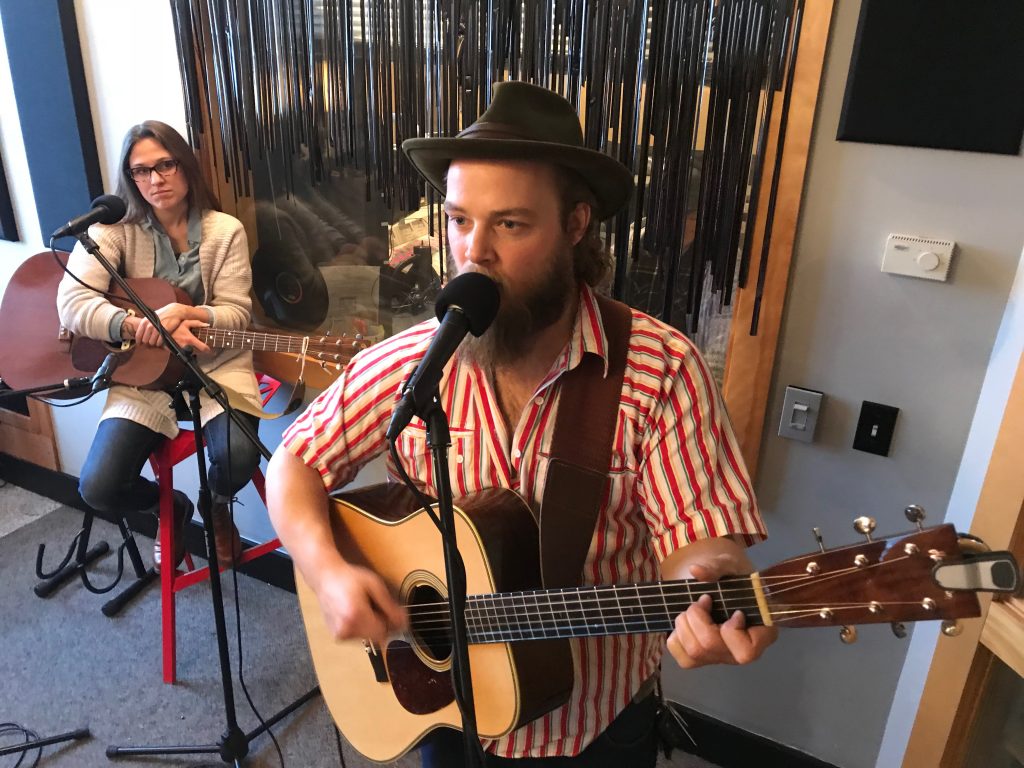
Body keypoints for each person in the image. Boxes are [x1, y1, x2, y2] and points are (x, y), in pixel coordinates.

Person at [265, 81, 776, 766]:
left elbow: (700, 544)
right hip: (446, 709)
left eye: (509, 224)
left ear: (575, 224)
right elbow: (295, 461)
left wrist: (710, 581)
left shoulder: (660, 371)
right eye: (459, 221)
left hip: (593, 725)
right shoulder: (413, 363)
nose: (474, 251)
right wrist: (327, 571)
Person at [56, 120, 263, 571]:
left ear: (185, 165)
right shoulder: (112, 232)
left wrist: (192, 315)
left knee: (240, 457)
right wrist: (134, 324)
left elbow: (236, 312)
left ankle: (216, 505)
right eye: (141, 171)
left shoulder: (225, 230)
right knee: (99, 487)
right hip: (144, 378)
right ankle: (170, 508)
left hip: (215, 366)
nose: (156, 179)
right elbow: (72, 304)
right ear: (130, 178)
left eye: (166, 165)